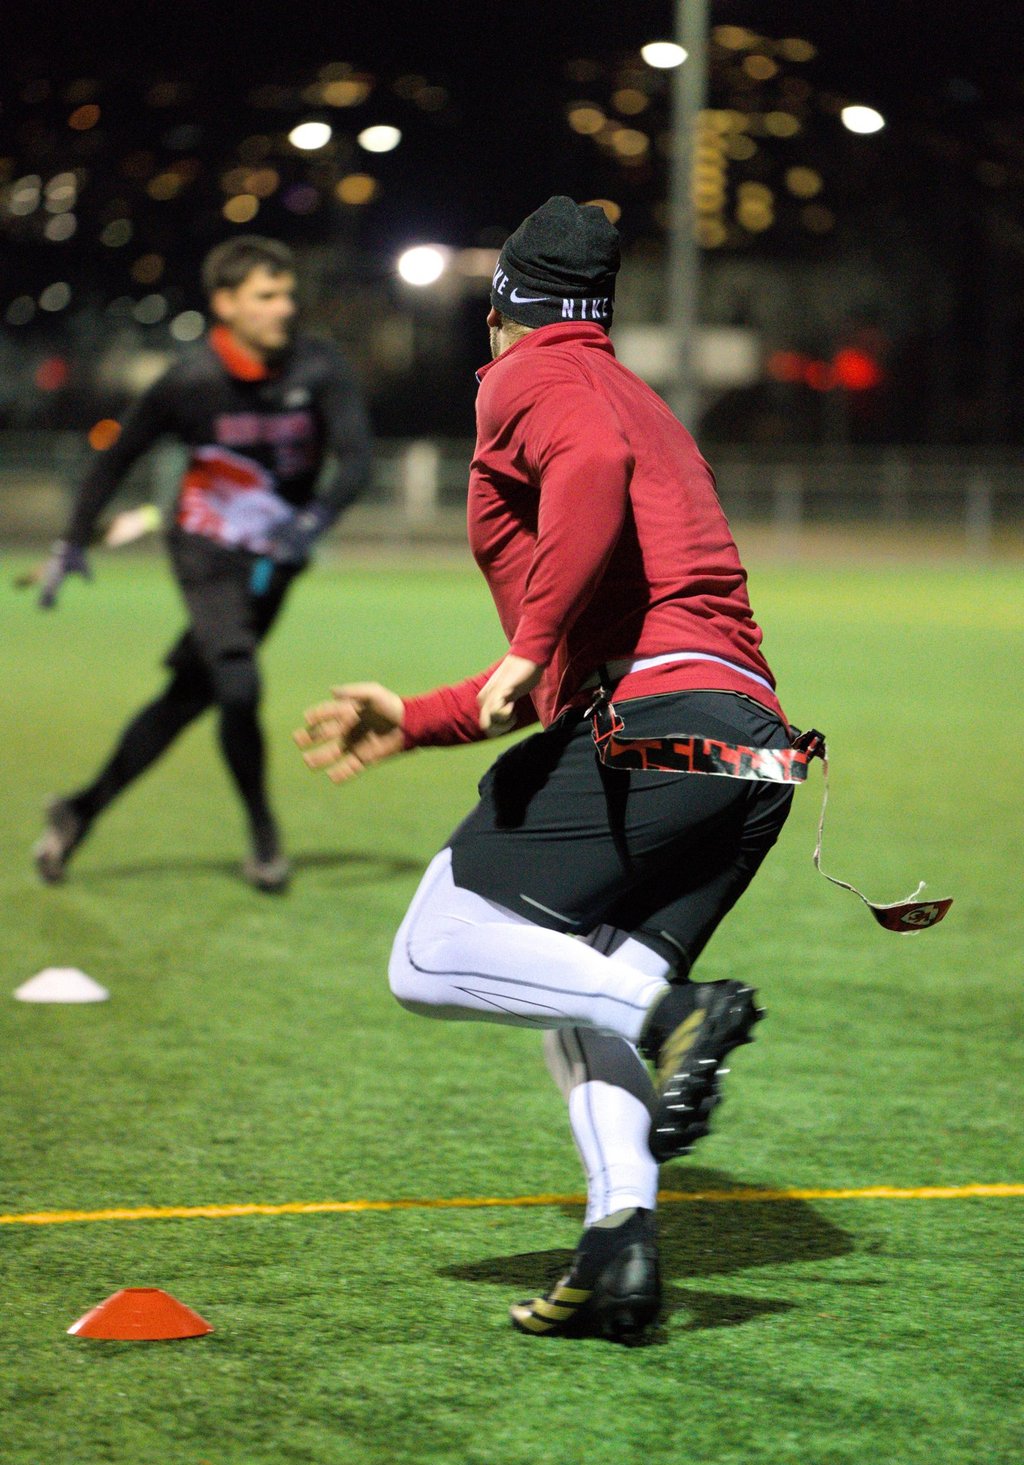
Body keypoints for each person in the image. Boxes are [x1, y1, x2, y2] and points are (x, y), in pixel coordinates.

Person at [296, 197, 793, 1341]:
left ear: (500, 309)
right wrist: (417, 717)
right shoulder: (626, 382)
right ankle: (620, 1249)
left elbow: (590, 471)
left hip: (658, 722)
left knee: (432, 949)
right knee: (572, 992)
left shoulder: (528, 377)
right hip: (747, 749)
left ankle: (680, 1013)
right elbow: (572, 677)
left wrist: (522, 646)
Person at [33, 235, 372, 891]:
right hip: (205, 554)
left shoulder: (319, 366)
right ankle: (265, 837)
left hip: (275, 560)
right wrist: (72, 541)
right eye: (266, 296)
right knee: (239, 685)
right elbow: (116, 456)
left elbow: (356, 460)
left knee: (190, 695)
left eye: (287, 293)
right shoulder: (190, 381)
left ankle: (79, 809)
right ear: (226, 304)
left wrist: (313, 523)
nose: (285, 307)